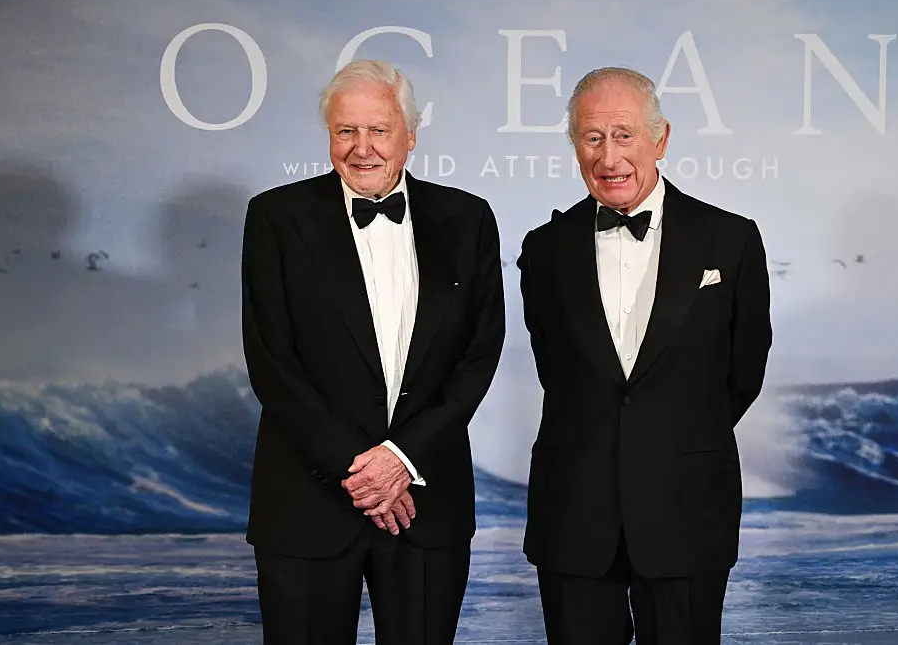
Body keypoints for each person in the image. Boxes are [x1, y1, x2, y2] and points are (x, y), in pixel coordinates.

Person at [241, 59, 505, 645]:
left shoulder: (468, 220)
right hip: (305, 505)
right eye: (345, 131)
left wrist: (400, 460)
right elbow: (271, 361)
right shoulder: (276, 218)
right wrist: (360, 472)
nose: (362, 148)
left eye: (379, 130)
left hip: (425, 503)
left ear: (410, 135)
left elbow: (477, 357)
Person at [517, 66, 772, 644]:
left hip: (686, 512)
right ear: (575, 146)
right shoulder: (543, 250)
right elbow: (556, 374)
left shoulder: (731, 241)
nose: (609, 157)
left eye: (624, 135)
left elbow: (742, 375)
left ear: (660, 139)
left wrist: (666, 436)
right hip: (574, 513)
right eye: (592, 137)